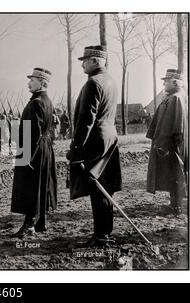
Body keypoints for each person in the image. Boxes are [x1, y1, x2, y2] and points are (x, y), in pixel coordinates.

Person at [66, 45, 122, 246]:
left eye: (85, 60)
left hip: (95, 140)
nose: (82, 64)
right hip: (109, 138)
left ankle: (100, 235)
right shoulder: (110, 81)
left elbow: (85, 121)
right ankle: (104, 232)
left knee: (97, 188)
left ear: (96, 61)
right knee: (105, 187)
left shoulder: (93, 83)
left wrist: (76, 149)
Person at [11, 67, 58, 238]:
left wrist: (28, 156)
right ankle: (41, 222)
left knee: (31, 186)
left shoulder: (36, 102)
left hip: (35, 149)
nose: (28, 83)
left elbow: (33, 133)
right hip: (45, 148)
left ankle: (29, 224)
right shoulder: (47, 101)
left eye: (32, 80)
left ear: (42, 83)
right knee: (41, 185)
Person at [146, 69, 188, 214]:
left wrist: (175, 146)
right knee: (172, 173)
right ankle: (174, 204)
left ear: (175, 82)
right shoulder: (172, 97)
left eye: (166, 81)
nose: (164, 83)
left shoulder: (176, 98)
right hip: (169, 144)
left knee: (176, 173)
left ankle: (177, 206)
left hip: (173, 145)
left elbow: (178, 126)